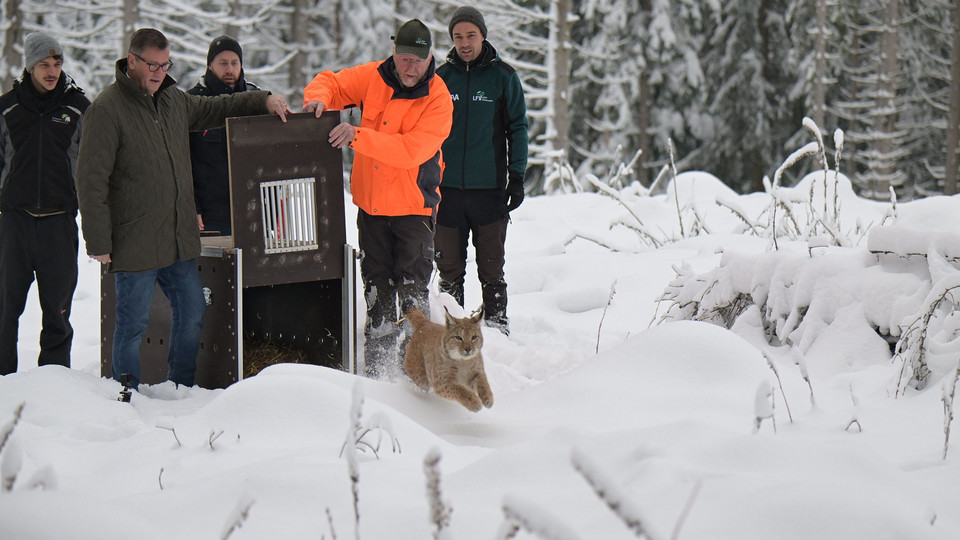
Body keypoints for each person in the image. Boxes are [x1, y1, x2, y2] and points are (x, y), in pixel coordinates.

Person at [75, 28, 289, 388]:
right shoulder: (106, 110)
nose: (159, 72)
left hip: (177, 238)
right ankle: (125, 393)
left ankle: (180, 388)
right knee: (132, 326)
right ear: (132, 61)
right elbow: (90, 180)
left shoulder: (175, 101)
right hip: (134, 239)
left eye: (165, 64)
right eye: (152, 65)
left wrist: (262, 99)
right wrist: (98, 241)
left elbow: (219, 106)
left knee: (192, 313)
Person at [303, 18, 453, 378]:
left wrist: (357, 136)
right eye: (404, 58)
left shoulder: (439, 98)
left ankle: (418, 376)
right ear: (394, 53)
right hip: (371, 210)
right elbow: (332, 82)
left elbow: (410, 151)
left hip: (413, 211)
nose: (410, 67)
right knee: (377, 295)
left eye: (417, 60)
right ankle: (378, 376)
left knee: (413, 296)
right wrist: (318, 100)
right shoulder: (374, 77)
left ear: (430, 57)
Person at [0, 33, 91, 375]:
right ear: (30, 66)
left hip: (59, 224)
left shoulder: (79, 109)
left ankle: (54, 386)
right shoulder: (7, 107)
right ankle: (3, 385)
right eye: (44, 64)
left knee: (58, 313)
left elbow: (94, 168)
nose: (52, 71)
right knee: (5, 311)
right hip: (15, 224)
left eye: (57, 64)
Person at [436, 7, 529, 336]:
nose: (464, 43)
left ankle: (497, 329)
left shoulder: (503, 76)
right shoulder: (441, 79)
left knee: (491, 269)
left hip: (489, 191)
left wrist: (516, 177)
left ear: (483, 35)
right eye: (458, 37)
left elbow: (518, 128)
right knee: (449, 272)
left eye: (470, 35)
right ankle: (454, 333)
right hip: (445, 192)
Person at [188, 35, 260, 236]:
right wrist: (193, 206)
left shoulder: (257, 99)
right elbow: (182, 163)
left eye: (234, 63)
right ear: (210, 65)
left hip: (253, 212)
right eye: (223, 63)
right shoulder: (194, 103)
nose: (230, 69)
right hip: (210, 215)